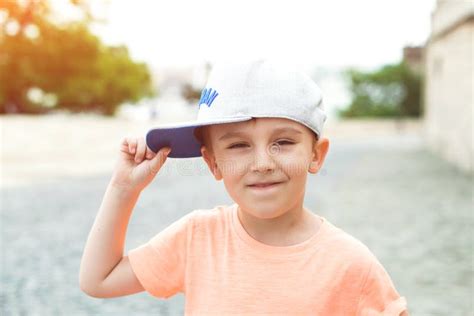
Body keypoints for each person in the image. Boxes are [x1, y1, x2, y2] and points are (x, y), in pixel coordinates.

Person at [79, 58, 409, 315]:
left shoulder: (352, 265)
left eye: (282, 141)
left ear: (316, 154)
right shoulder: (197, 237)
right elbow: (99, 279)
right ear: (213, 163)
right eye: (238, 146)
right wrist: (124, 189)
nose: (262, 162)